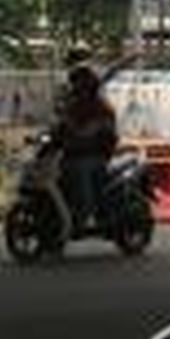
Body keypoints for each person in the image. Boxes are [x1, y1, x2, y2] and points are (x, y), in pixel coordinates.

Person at [57, 64, 118, 229]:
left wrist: (89, 131)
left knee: (81, 170)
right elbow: (60, 123)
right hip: (73, 152)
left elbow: (103, 127)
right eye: (74, 83)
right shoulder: (71, 103)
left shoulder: (100, 106)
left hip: (96, 154)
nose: (77, 87)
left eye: (79, 83)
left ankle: (87, 212)